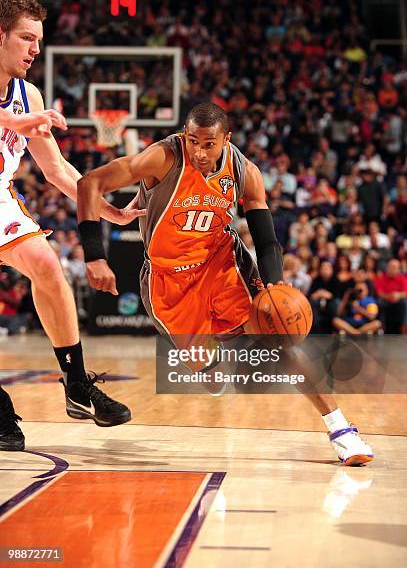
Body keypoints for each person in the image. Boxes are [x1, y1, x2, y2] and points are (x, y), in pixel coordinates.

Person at [76, 101, 373, 466]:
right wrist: (94, 254)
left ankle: (341, 429)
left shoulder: (245, 171)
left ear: (226, 139)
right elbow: (90, 182)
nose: (199, 151)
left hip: (221, 262)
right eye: (192, 141)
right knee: (212, 376)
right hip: (168, 280)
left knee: (279, 335)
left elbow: (266, 241)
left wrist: (274, 288)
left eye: (209, 144)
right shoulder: (162, 158)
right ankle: (211, 367)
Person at [0, 0, 145, 451]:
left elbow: (58, 171)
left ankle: (77, 384)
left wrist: (107, 207)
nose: (35, 49)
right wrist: (14, 121)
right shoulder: (22, 110)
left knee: (47, 265)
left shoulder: (30, 96)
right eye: (26, 37)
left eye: (38, 41)